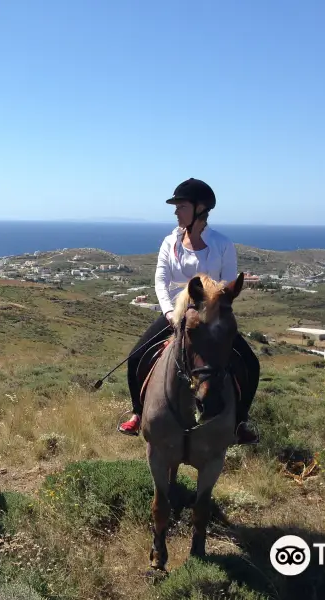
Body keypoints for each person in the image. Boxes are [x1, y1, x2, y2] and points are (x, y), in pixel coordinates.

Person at [117, 178, 260, 444]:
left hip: (211, 318)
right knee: (136, 356)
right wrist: (170, 313)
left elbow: (228, 286)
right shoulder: (169, 242)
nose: (175, 211)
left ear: (200, 209)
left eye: (181, 206)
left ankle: (240, 422)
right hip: (175, 315)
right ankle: (138, 414)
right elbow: (160, 280)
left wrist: (211, 316)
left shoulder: (223, 245)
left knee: (251, 363)